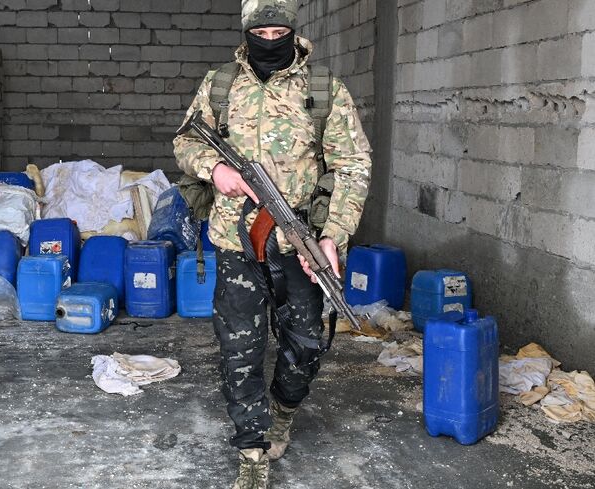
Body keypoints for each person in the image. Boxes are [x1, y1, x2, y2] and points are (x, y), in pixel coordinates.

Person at [173, 1, 373, 487]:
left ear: (292, 30)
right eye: (259, 30)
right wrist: (214, 169)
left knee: (305, 348)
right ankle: (252, 449)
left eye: (278, 29)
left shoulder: (324, 89)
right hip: (234, 241)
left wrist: (332, 239)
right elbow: (186, 141)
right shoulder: (221, 84)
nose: (269, 37)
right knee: (238, 350)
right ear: (247, 31)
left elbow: (353, 166)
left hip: (297, 242)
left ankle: (283, 411)